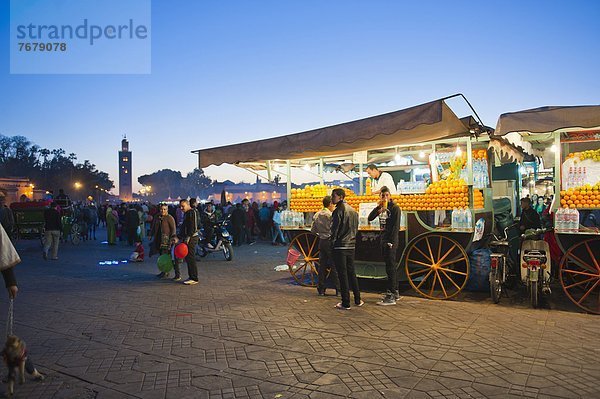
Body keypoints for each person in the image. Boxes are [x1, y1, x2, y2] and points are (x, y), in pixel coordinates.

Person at [330, 188, 363, 310]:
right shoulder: (353, 210)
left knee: (342, 274)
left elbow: (334, 230)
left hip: (340, 246)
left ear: (340, 197)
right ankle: (358, 299)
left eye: (333, 196)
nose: (332, 198)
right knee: (351, 272)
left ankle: (345, 302)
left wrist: (331, 243)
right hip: (351, 245)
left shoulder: (338, 210)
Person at [368, 186, 401, 305]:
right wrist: (378, 208)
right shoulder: (381, 208)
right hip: (383, 239)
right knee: (389, 266)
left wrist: (391, 242)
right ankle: (395, 292)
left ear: (390, 195)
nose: (385, 197)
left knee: (391, 267)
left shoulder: (395, 208)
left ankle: (391, 295)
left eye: (387, 195)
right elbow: (370, 218)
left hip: (390, 241)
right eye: (383, 195)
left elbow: (395, 227)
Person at [311, 195, 340, 296]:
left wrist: (321, 234)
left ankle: (321, 289)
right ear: (330, 204)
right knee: (334, 265)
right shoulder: (331, 215)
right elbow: (335, 229)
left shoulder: (317, 215)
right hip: (330, 241)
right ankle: (338, 289)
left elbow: (313, 231)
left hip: (321, 241)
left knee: (322, 266)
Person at [150, 203, 178, 278]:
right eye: (161, 209)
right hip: (158, 239)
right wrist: (150, 234)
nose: (163, 211)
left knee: (166, 256)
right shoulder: (157, 217)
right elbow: (153, 226)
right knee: (161, 256)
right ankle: (163, 271)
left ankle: (166, 271)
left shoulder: (169, 218)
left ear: (167, 210)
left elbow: (173, 229)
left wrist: (173, 238)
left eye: (164, 209)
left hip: (166, 240)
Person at [177, 199, 200, 285]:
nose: (181, 208)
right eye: (180, 206)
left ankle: (194, 277)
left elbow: (194, 227)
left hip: (192, 238)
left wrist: (188, 236)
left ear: (187, 205)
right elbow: (184, 227)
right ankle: (191, 276)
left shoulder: (192, 212)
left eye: (183, 206)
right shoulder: (186, 214)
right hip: (187, 237)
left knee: (191, 257)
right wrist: (179, 236)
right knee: (188, 258)